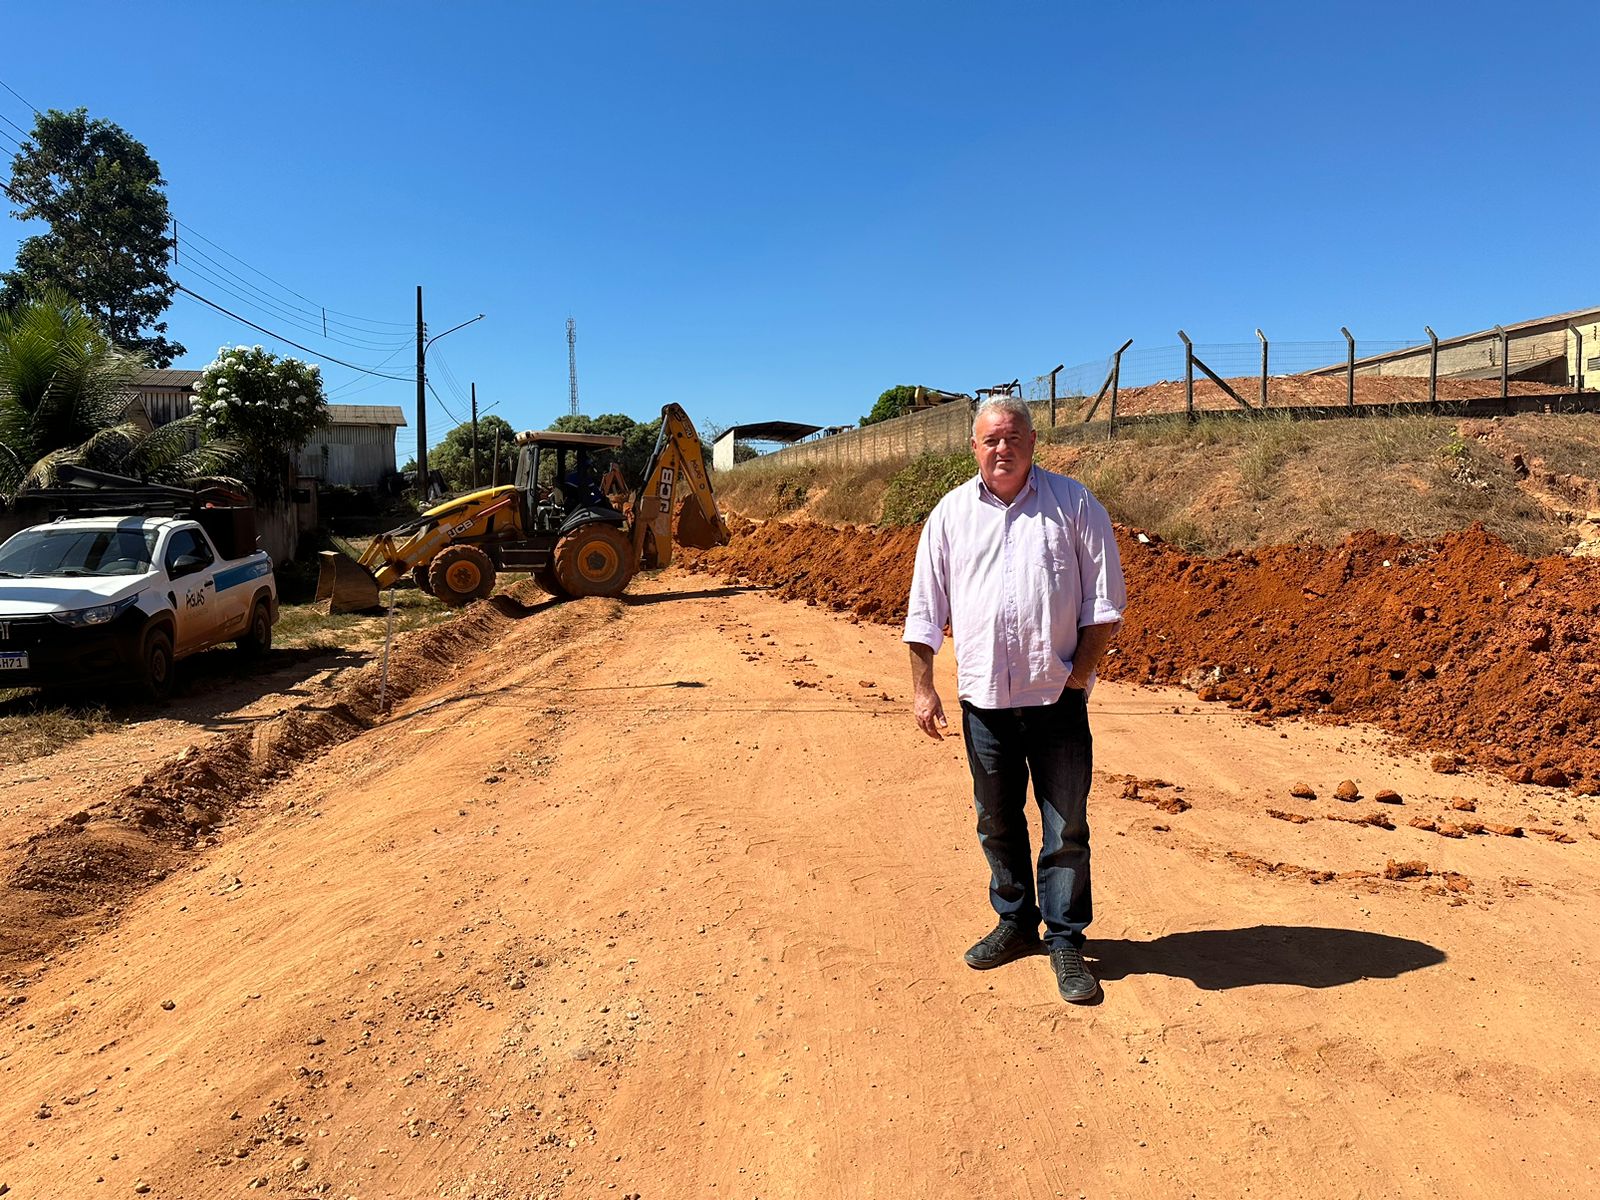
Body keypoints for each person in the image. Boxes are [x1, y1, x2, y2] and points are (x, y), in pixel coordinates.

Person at [903, 395, 1126, 1004]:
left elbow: (1103, 604)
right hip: (984, 705)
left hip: (1057, 701)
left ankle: (1066, 941)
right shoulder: (950, 514)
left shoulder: (1075, 504)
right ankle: (1014, 921)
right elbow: (925, 609)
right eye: (991, 439)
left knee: (1066, 826)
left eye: (1014, 436)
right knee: (996, 821)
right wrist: (923, 688)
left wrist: (1078, 678)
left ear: (1033, 442)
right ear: (974, 448)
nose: (1003, 447)